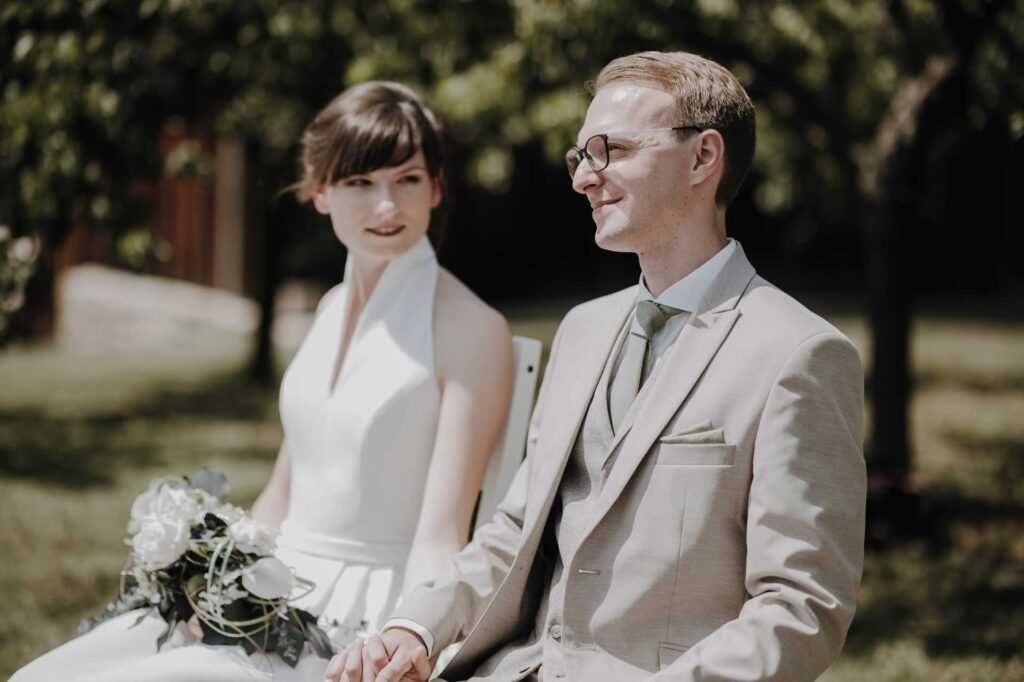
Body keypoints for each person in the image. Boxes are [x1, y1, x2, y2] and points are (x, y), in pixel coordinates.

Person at [328, 51, 866, 682]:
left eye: (612, 150)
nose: (585, 178)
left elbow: (801, 609)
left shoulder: (799, 354)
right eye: (581, 156)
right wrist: (413, 627)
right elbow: (517, 530)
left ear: (703, 157)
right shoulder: (582, 329)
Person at [13, 81, 515, 682]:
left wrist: (408, 643)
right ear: (320, 191)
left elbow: (443, 534)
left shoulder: (471, 329)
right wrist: (214, 582)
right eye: (361, 182)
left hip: (356, 621)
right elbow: (281, 493)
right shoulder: (330, 309)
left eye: (407, 179)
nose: (387, 205)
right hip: (269, 588)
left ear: (435, 187)